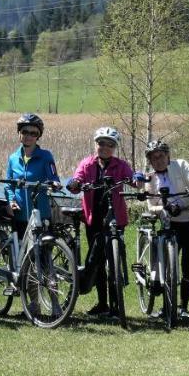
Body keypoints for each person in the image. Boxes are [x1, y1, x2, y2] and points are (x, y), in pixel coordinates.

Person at [65, 127, 138, 317]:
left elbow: (132, 179)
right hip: (94, 220)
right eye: (101, 143)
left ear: (114, 147)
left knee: (113, 263)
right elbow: (77, 180)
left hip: (116, 219)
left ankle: (116, 306)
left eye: (109, 145)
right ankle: (102, 304)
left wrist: (137, 179)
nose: (104, 147)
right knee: (97, 263)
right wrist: (74, 183)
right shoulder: (87, 164)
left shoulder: (120, 165)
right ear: (95, 144)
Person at [141, 139, 189, 321]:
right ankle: (167, 305)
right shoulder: (150, 178)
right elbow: (151, 205)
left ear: (168, 155)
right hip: (170, 224)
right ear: (150, 160)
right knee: (168, 266)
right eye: (154, 157)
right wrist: (164, 209)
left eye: (161, 156)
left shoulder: (181, 165)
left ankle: (183, 307)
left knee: (188, 265)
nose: (158, 160)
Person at [3, 113, 60, 240]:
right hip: (20, 215)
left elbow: (54, 178)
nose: (28, 136)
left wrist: (54, 184)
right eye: (25, 132)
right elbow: (9, 185)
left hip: (42, 214)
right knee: (21, 256)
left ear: (38, 136)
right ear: (19, 133)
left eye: (33, 133)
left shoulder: (46, 156)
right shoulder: (13, 158)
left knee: (44, 256)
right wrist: (11, 201)